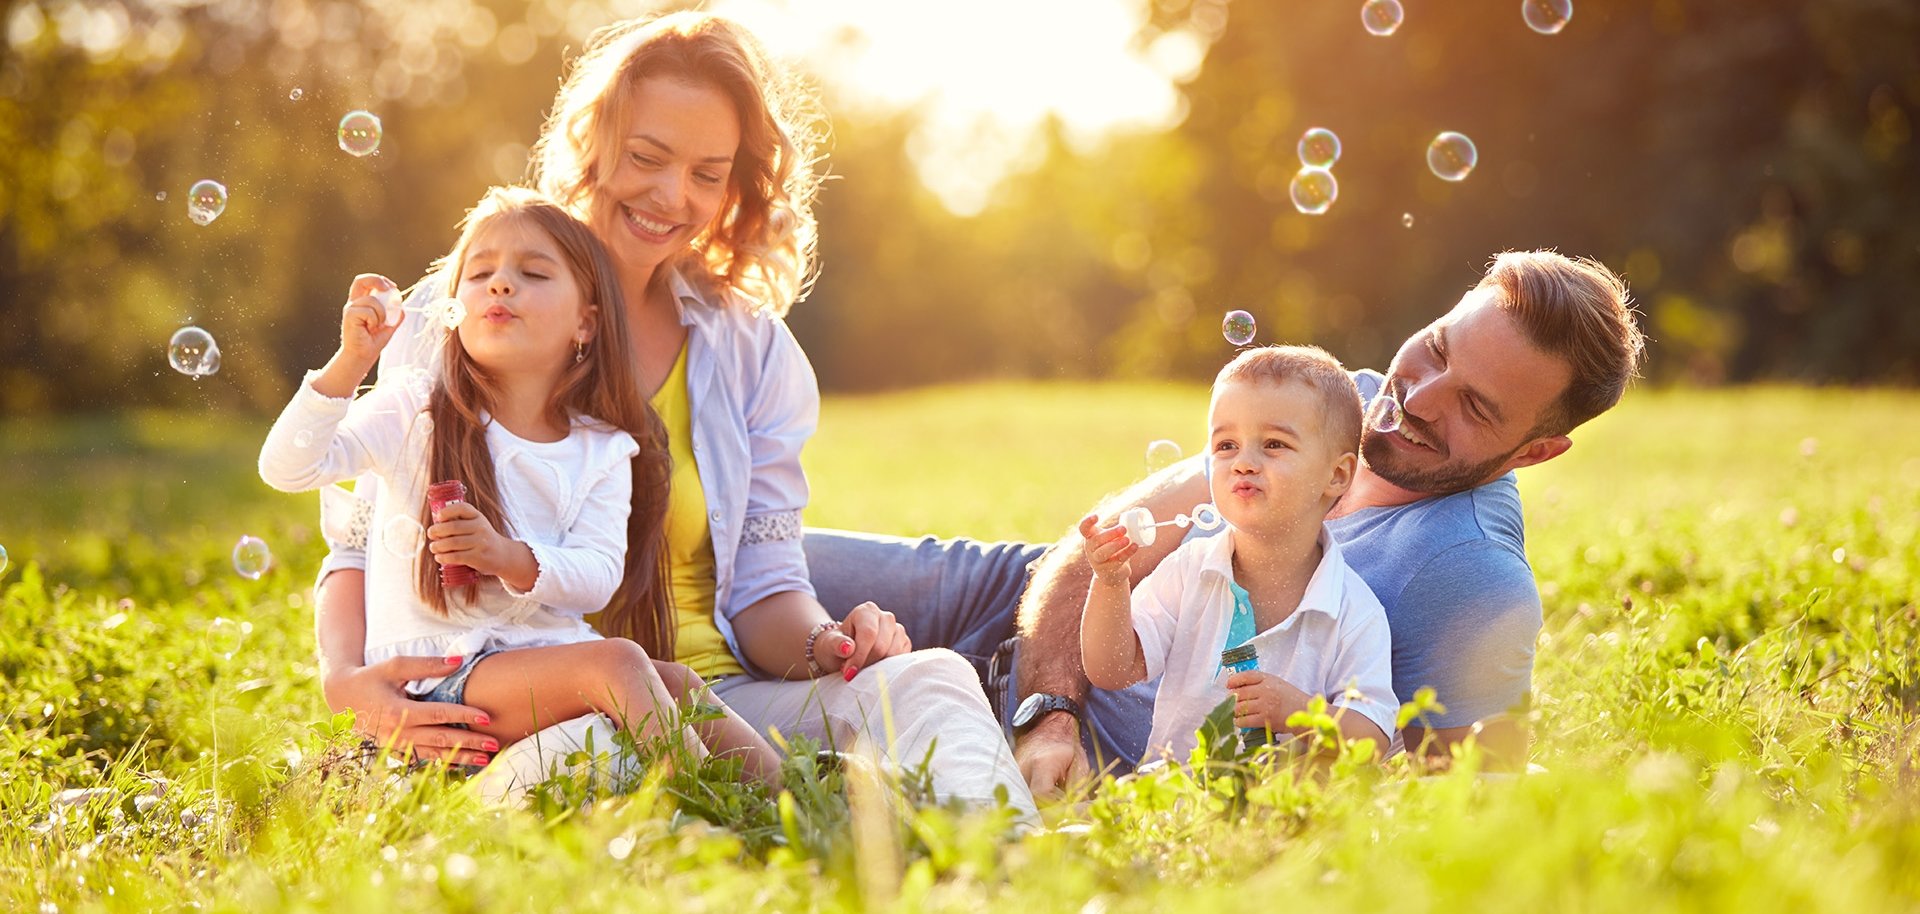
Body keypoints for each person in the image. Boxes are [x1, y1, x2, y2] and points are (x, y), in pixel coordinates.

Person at [310, 13, 1034, 814]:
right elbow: (354, 546)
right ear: (592, 145)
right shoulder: (464, 315)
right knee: (590, 768)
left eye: (707, 174)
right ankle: (764, 820)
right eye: (647, 157)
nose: (672, 196)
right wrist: (350, 686)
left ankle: (1002, 866)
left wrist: (825, 642)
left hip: (715, 707)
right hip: (524, 703)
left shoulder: (746, 349)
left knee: (930, 678)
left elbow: (764, 591)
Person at [806, 250, 1644, 794]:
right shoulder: (1339, 399)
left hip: (1095, 740)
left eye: (1475, 406)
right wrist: (1047, 713)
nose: (1413, 400)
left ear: (1535, 452)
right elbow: (1097, 538)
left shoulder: (1473, 575)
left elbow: (1467, 801)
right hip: (1020, 607)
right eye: (1434, 349)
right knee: (727, 565)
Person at [261, 186, 780, 782]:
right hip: (440, 676)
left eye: (532, 273)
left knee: (676, 681)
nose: (500, 284)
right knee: (617, 663)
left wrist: (508, 557)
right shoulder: (411, 410)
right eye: (480, 273)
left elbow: (598, 574)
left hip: (533, 663)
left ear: (585, 322)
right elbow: (289, 466)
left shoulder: (603, 447)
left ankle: (789, 790)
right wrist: (350, 363)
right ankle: (707, 798)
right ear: (455, 309)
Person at [1078, 346, 1396, 761]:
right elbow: (1110, 668)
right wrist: (1110, 583)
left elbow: (1372, 739)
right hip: (1175, 802)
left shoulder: (1351, 610)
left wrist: (1299, 713)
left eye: (1274, 444)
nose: (1243, 462)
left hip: (1286, 813)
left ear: (1336, 476)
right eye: (1226, 444)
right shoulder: (1189, 572)